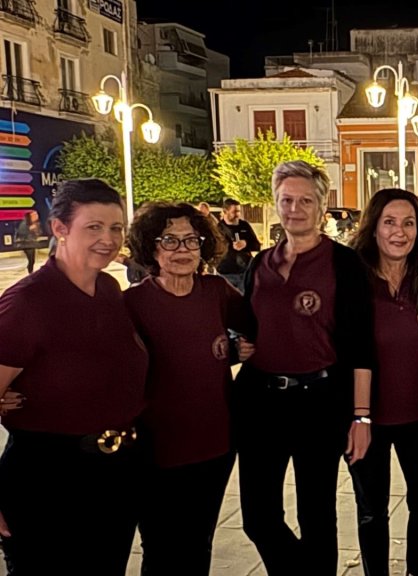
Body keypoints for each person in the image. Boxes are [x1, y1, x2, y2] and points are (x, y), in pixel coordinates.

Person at [0, 179, 148, 574]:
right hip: (48, 480)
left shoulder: (109, 288)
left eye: (116, 228)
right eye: (93, 227)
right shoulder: (27, 302)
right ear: (59, 228)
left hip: (114, 474)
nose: (108, 239)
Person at [234, 160, 373, 576]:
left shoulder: (344, 264)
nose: (295, 209)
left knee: (317, 515)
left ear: (322, 207)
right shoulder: (261, 263)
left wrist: (361, 417)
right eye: (287, 200)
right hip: (260, 402)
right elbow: (246, 326)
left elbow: (361, 346)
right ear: (275, 203)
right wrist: (237, 345)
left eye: (305, 201)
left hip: (320, 402)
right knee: (257, 517)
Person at [125, 202, 253, 575]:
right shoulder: (133, 303)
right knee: (162, 546)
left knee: (199, 542)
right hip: (157, 448)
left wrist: (236, 350)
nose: (182, 250)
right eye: (169, 240)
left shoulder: (216, 291)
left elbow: (259, 326)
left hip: (215, 445)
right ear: (151, 247)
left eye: (191, 240)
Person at [350, 188, 418, 576]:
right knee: (372, 509)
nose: (399, 232)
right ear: (373, 228)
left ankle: (416, 571)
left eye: (408, 223)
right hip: (366, 416)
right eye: (389, 222)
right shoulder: (352, 276)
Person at [217, 198, 261, 293]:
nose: (237, 214)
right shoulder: (218, 229)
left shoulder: (244, 225)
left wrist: (246, 243)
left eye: (239, 211)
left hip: (245, 271)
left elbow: (257, 245)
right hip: (226, 273)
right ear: (225, 212)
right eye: (234, 212)